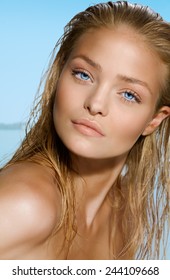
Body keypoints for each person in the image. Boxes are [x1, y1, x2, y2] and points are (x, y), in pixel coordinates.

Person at [0, 1, 169, 260]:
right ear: (59, 73)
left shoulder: (125, 214)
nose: (95, 104)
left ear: (154, 121)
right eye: (83, 75)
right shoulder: (25, 203)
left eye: (128, 94)